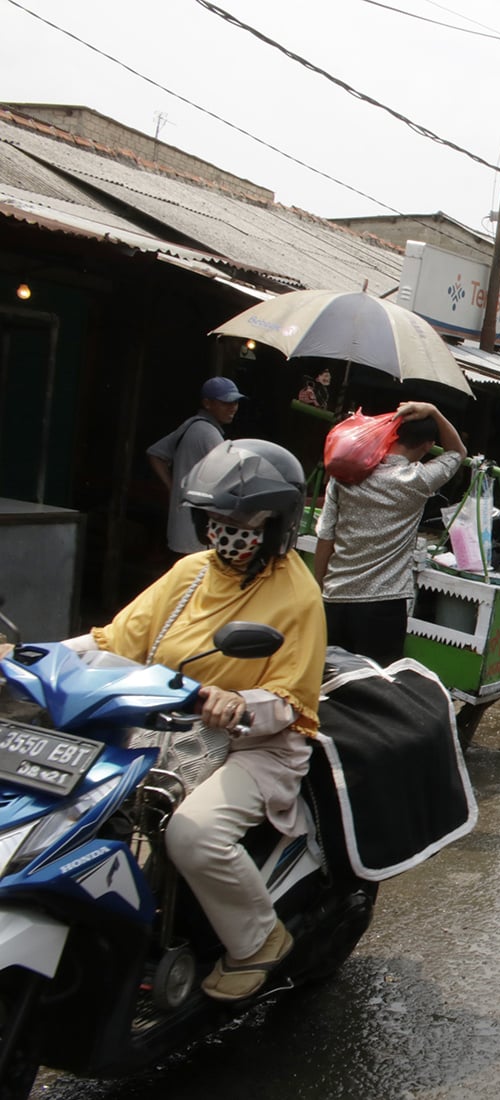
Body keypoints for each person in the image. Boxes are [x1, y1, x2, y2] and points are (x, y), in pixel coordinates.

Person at [63, 439, 325, 1001]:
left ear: (279, 522)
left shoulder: (298, 592)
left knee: (194, 833)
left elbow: (289, 701)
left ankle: (259, 941)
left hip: (256, 746)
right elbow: (116, 640)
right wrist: (39, 657)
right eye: (216, 518)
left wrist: (238, 703)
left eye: (243, 519)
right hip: (163, 724)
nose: (226, 529)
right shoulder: (189, 574)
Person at [313, 401, 466, 666]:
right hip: (384, 605)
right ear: (429, 446)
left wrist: (318, 587)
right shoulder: (418, 480)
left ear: (393, 433)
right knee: (377, 690)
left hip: (335, 598)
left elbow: (326, 535)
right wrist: (433, 410)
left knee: (327, 684)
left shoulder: (345, 474)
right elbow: (457, 452)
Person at [148, 376, 244, 554]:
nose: (233, 408)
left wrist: (174, 488)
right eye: (226, 403)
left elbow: (155, 453)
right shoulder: (208, 432)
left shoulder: (190, 425)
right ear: (207, 404)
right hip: (197, 535)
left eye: (236, 402)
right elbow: (232, 477)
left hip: (181, 529)